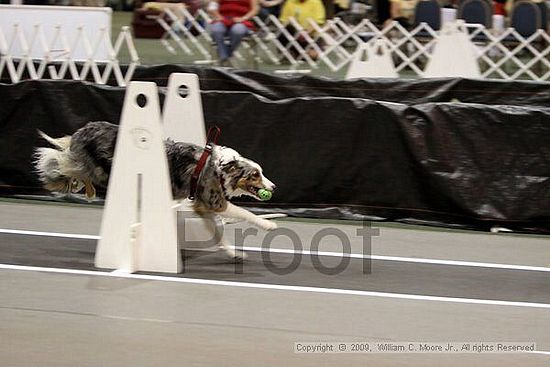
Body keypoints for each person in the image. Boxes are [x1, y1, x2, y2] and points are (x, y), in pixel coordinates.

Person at [207, 0, 260, 65]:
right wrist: (218, 16)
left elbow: (255, 9)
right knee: (216, 29)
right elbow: (212, 7)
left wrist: (243, 18)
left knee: (238, 30)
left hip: (242, 21)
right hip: (222, 19)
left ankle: (227, 54)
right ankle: (223, 55)